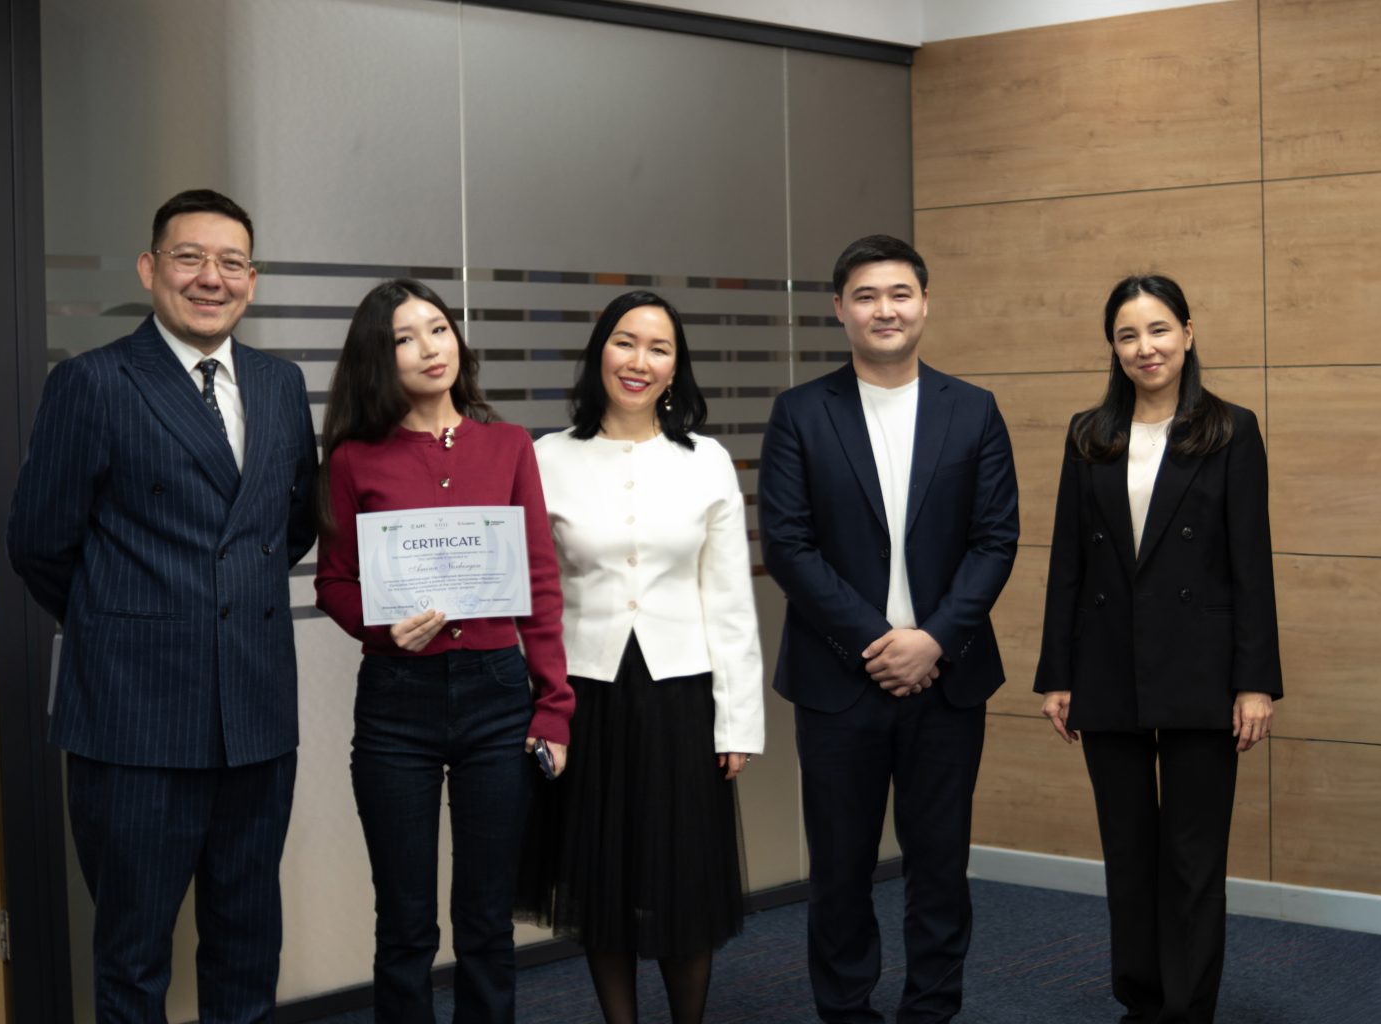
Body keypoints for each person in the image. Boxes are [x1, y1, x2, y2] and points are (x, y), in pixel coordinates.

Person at [8, 189, 318, 1022]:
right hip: (134, 721)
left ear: (252, 279)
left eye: (231, 262)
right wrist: (132, 619)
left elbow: (286, 528)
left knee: (248, 948)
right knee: (134, 961)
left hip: (255, 715)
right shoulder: (93, 382)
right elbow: (39, 543)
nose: (211, 278)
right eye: (189, 257)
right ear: (150, 268)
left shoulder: (281, 385)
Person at [758, 234, 1019, 1023]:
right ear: (839, 309)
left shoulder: (972, 410)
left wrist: (932, 639)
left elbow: (995, 540)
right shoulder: (801, 412)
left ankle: (931, 1011)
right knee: (840, 872)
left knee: (940, 868)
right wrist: (879, 643)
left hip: (948, 679)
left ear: (926, 303)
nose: (885, 310)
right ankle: (846, 1013)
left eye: (900, 293)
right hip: (840, 680)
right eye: (866, 296)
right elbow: (788, 545)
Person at [314, 278, 572, 1024]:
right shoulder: (353, 458)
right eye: (405, 337)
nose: (430, 348)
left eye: (438, 328)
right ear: (379, 357)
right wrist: (380, 627)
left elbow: (540, 582)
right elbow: (334, 583)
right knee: (404, 925)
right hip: (397, 700)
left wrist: (554, 707)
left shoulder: (509, 445)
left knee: (487, 922)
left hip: (497, 695)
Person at [1034, 274, 1281, 1024]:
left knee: (1194, 858)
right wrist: (1057, 673)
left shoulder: (1231, 429)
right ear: (1113, 347)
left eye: (1159, 329)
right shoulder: (1089, 433)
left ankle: (1188, 1008)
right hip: (1106, 666)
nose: (1146, 348)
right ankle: (1141, 1002)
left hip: (1204, 671)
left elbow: (1251, 564)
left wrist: (1255, 682)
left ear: (1188, 333)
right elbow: (1068, 562)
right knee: (1129, 852)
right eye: (1128, 335)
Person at [519, 290, 764, 1024]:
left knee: (683, 880)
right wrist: (541, 708)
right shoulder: (547, 457)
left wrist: (737, 723)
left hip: (681, 696)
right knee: (601, 880)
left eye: (659, 349)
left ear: (675, 368)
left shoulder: (706, 460)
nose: (639, 361)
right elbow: (535, 596)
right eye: (625, 342)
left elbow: (729, 599)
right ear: (600, 350)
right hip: (585, 696)